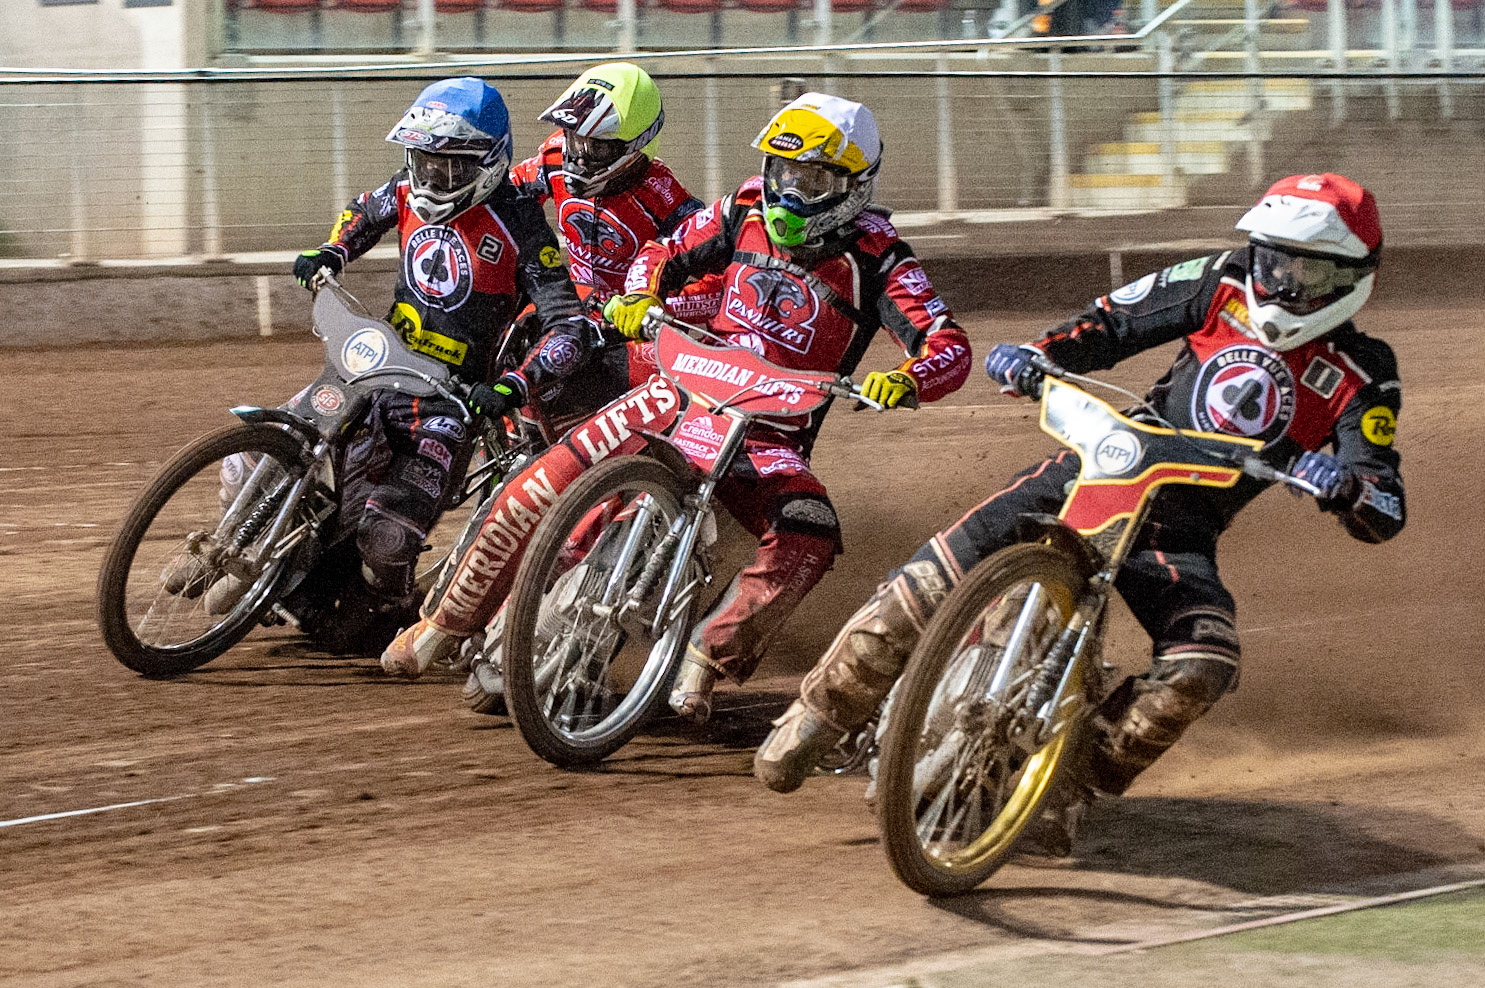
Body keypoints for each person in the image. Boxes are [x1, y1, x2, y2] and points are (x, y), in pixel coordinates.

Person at [754, 173, 1406, 852]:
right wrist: (1038, 355)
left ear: (1353, 277)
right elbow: (1114, 320)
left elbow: (1384, 501)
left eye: (1308, 268)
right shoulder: (1218, 281)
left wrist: (1347, 485)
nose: (1283, 280)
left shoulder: (1363, 371)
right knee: (933, 576)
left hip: (1177, 533)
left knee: (1200, 665)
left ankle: (1068, 779)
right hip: (1100, 467)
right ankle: (820, 712)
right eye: (1275, 258)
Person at [382, 93, 973, 724]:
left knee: (811, 530)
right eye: (782, 171)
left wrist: (909, 378)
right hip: (678, 392)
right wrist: (639, 295)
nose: (789, 191)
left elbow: (948, 345)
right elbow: (660, 253)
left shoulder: (882, 256)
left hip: (766, 436)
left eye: (812, 179)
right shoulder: (745, 204)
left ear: (855, 183)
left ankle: (707, 657)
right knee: (549, 476)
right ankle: (445, 624)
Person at [379, 63, 721, 679]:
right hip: (541, 317)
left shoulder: (668, 201)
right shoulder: (541, 168)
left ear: (637, 145)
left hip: (618, 344)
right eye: (575, 137)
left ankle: (585, 574)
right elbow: (486, 196)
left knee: (595, 466)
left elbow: (706, 278)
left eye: (599, 145)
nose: (582, 154)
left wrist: (655, 309)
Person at [287, 77, 590, 612]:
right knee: (270, 454)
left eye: (449, 167)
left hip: (444, 406)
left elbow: (569, 327)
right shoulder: (406, 188)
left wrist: (514, 385)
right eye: (423, 161)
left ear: (489, 162)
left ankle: (401, 611)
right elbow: (363, 209)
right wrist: (331, 251)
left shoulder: (521, 223)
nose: (432, 176)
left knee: (387, 542)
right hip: (371, 366)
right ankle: (250, 555)